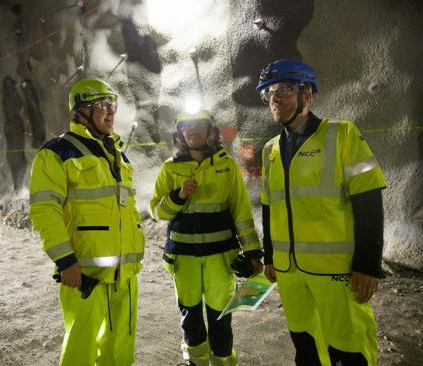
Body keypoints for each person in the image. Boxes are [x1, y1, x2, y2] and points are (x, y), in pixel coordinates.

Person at [256, 59, 386, 366]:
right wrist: (270, 257)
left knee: (349, 349)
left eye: (285, 89)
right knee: (306, 347)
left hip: (336, 273)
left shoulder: (343, 135)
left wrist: (368, 265)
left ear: (308, 94)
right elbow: (268, 206)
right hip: (290, 273)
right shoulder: (270, 150)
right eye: (269, 92)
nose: (275, 98)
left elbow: (369, 199)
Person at [29, 78, 145, 365]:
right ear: (81, 111)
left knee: (120, 351)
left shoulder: (118, 154)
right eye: (102, 105)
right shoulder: (57, 152)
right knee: (81, 351)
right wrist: (66, 260)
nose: (110, 112)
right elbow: (45, 209)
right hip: (85, 275)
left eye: (112, 105)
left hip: (125, 275)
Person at [150, 109, 263, 366]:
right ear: (180, 134)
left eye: (199, 125)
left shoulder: (227, 166)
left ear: (211, 131)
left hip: (220, 258)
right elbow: (157, 211)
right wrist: (178, 196)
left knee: (220, 316)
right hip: (184, 259)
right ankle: (197, 363)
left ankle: (223, 362)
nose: (193, 130)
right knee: (190, 316)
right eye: (187, 126)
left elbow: (242, 213)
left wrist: (254, 253)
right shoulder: (170, 169)